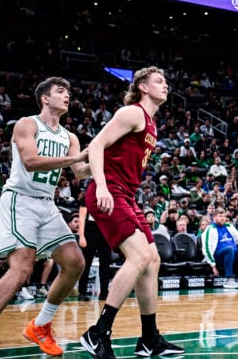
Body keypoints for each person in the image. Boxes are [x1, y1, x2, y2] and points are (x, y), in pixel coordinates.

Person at [0, 77, 91, 359]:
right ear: (44, 98)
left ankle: (40, 325)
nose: (67, 96)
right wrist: (75, 160)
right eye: (61, 91)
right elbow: (31, 160)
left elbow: (79, 173)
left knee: (75, 262)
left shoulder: (70, 137)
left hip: (46, 203)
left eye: (69, 91)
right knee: (22, 269)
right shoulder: (27, 124)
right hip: (20, 200)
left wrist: (108, 160)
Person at [79, 67, 184, 359]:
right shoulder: (132, 113)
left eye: (166, 81)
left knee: (152, 260)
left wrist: (81, 168)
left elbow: (107, 152)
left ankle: (149, 338)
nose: (166, 85)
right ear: (143, 87)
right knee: (138, 257)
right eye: (159, 81)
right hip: (110, 190)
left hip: (127, 194)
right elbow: (98, 143)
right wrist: (99, 183)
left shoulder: (150, 122)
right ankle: (98, 332)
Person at [77, 188, 115, 301]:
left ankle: (104, 292)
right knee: (86, 262)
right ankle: (82, 291)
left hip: (105, 229)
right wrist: (82, 236)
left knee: (105, 263)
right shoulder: (86, 197)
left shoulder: (109, 195)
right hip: (90, 229)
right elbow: (82, 218)